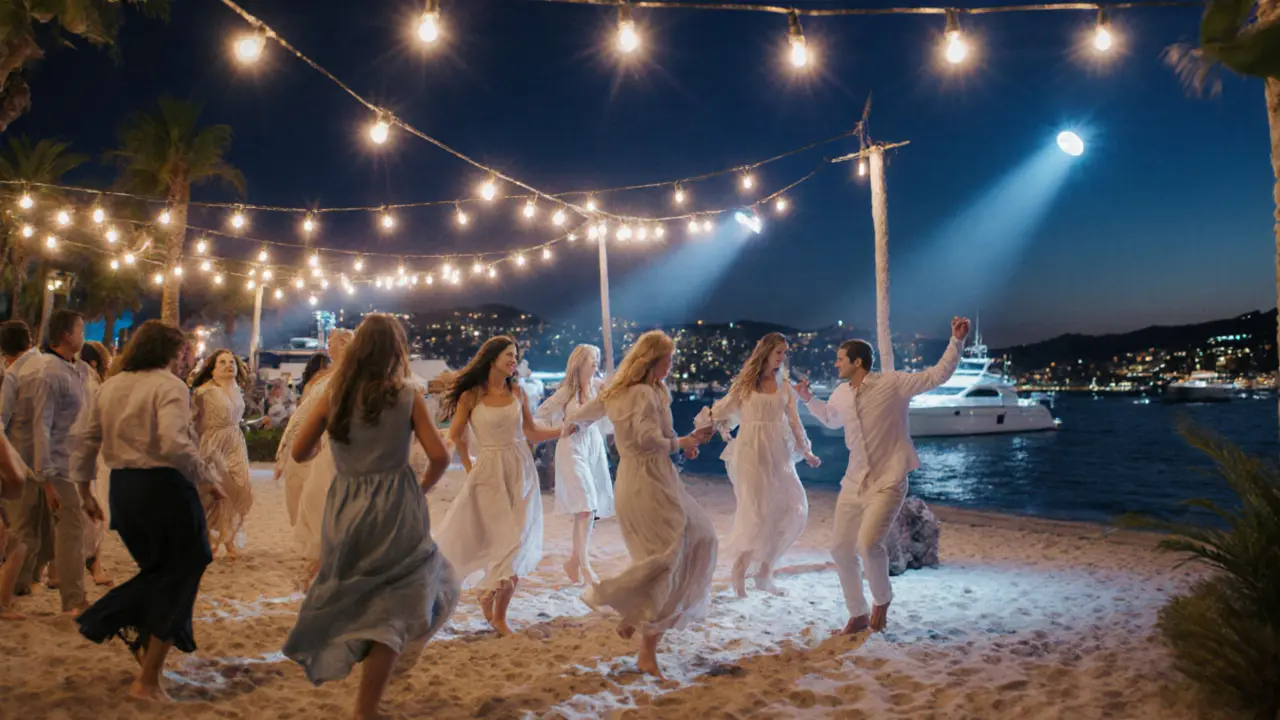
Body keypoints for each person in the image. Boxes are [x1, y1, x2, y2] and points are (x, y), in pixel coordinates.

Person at [282, 313, 456, 720]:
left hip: (345, 505)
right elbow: (440, 456)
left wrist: (341, 457)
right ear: (397, 350)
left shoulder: (334, 395)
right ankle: (366, 706)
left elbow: (299, 452)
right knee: (402, 598)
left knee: (360, 591)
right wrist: (422, 487)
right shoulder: (408, 396)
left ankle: (365, 695)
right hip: (397, 506)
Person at [72, 320, 226, 701]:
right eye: (181, 354)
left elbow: (87, 439)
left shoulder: (111, 385)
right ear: (170, 353)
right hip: (163, 488)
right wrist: (205, 477)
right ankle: (138, 665)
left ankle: (146, 653)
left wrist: (84, 492)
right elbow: (173, 443)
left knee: (162, 572)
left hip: (124, 491)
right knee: (183, 568)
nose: (183, 361)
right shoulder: (168, 385)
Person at [793, 316, 970, 635]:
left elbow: (936, 375)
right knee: (840, 549)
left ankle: (882, 601)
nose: (835, 364)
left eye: (840, 359)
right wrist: (808, 399)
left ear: (857, 362)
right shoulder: (841, 393)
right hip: (853, 481)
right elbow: (832, 419)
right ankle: (857, 613)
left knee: (868, 543)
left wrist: (956, 342)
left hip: (888, 481)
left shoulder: (893, 384)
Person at [564, 330, 715, 678]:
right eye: (668, 359)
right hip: (646, 481)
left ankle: (633, 615)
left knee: (686, 544)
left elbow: (583, 416)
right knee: (670, 556)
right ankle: (644, 645)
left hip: (648, 478)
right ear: (652, 360)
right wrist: (684, 441)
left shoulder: (639, 392)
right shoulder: (641, 392)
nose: (671, 365)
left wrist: (684, 443)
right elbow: (648, 439)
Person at [436, 336, 561, 636]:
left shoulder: (518, 392)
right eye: (508, 355)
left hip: (521, 471)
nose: (513, 360)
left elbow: (530, 431)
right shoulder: (470, 396)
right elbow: (457, 435)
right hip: (488, 473)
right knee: (497, 540)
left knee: (516, 543)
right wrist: (465, 464)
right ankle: (488, 599)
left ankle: (499, 616)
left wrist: (563, 430)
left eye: (515, 356)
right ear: (491, 359)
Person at [702, 332, 820, 598]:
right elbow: (721, 411)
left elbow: (794, 421)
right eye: (779, 352)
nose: (783, 357)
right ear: (766, 352)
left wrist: (807, 452)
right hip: (750, 452)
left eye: (785, 353)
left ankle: (765, 571)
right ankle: (740, 573)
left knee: (794, 507)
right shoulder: (746, 384)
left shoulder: (785, 386)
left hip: (777, 452)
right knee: (756, 514)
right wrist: (706, 431)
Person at [0, 309, 97, 617]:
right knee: (57, 530)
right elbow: (41, 426)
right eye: (80, 330)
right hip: (47, 464)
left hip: (65, 462)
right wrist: (46, 476)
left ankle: (23, 586)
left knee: (39, 533)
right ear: (66, 335)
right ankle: (72, 599)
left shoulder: (76, 369)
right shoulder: (45, 372)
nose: (84, 336)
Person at [535, 344, 614, 585]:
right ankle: (585, 565)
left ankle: (572, 561)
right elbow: (540, 414)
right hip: (571, 447)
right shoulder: (567, 391)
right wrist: (560, 429)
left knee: (585, 508)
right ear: (579, 363)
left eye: (597, 359)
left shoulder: (600, 388)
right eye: (592, 359)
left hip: (594, 447)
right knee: (587, 505)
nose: (595, 364)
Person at [288, 329, 354, 587]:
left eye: (346, 342)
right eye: (334, 342)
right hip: (326, 460)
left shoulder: (361, 382)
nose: (338, 347)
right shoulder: (323, 382)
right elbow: (301, 423)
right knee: (322, 522)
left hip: (349, 463)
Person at [191, 350, 253, 560]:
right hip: (212, 443)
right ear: (213, 369)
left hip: (235, 442)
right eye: (222, 362)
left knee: (240, 488)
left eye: (232, 362)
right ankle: (212, 536)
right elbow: (192, 420)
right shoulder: (203, 392)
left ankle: (228, 536)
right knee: (212, 493)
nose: (229, 365)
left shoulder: (237, 390)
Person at [275, 342, 344, 527]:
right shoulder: (322, 383)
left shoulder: (315, 384)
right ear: (322, 366)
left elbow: (298, 418)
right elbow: (301, 418)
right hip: (316, 437)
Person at [79, 341, 115, 588]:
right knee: (98, 509)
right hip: (93, 452)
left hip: (71, 451)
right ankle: (94, 563)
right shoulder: (94, 386)